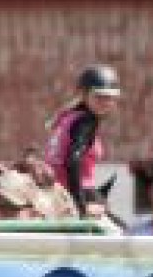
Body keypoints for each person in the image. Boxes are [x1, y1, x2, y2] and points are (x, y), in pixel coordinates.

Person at [47, 64, 121, 217]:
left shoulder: (66, 117)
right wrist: (81, 206)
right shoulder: (87, 121)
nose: (105, 102)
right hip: (76, 192)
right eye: (99, 96)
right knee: (121, 229)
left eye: (110, 97)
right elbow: (73, 160)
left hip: (54, 190)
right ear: (84, 94)